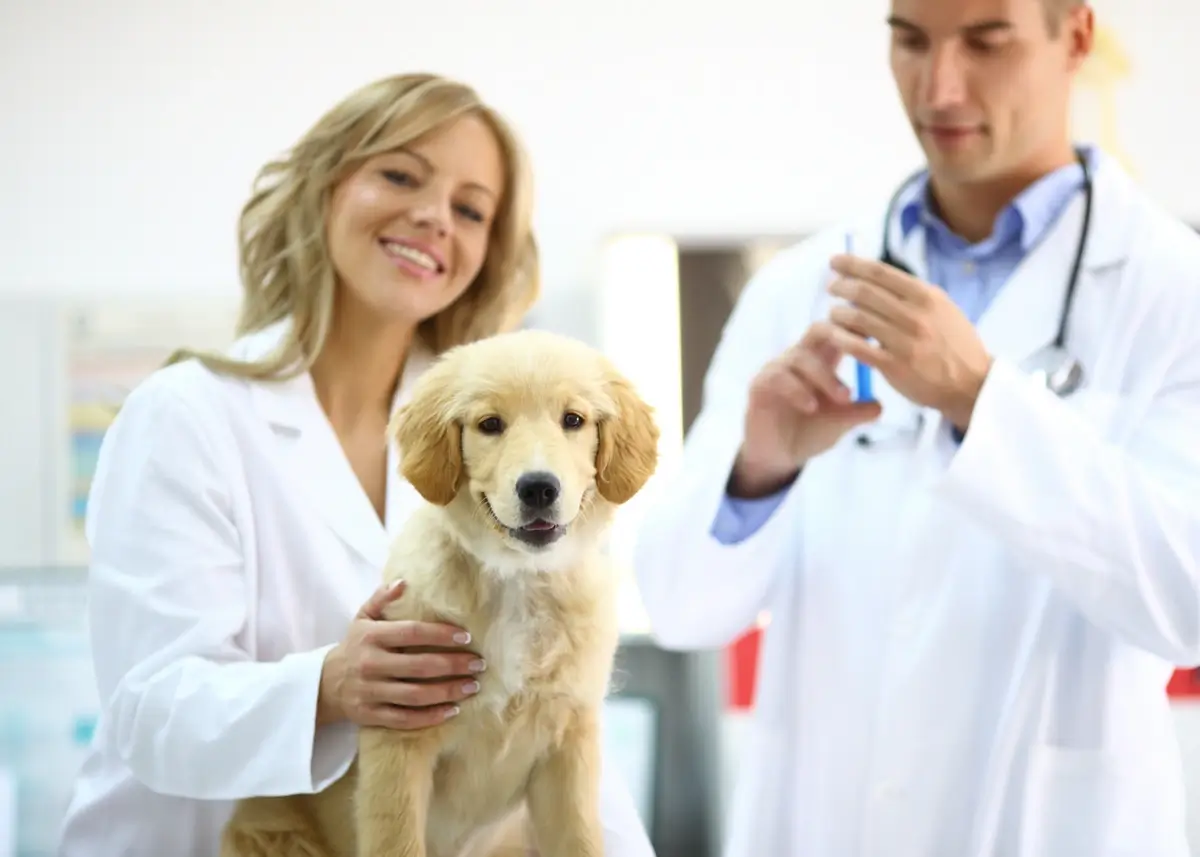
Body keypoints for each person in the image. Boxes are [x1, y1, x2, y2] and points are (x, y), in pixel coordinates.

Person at [634, 1, 1200, 855]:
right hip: (822, 823)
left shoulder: (1171, 292)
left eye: (985, 39)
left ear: (1074, 38)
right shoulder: (800, 288)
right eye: (910, 40)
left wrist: (981, 399)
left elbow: (1188, 600)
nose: (938, 85)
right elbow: (680, 608)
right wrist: (759, 473)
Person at [57, 73, 655, 857]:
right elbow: (149, 709)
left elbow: (556, 727)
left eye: (471, 208)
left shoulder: (494, 445)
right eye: (401, 174)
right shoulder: (187, 414)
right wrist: (330, 687)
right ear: (325, 186)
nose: (434, 217)